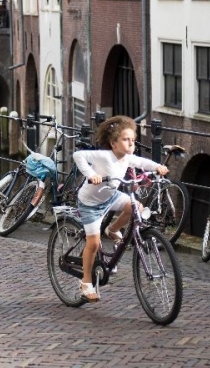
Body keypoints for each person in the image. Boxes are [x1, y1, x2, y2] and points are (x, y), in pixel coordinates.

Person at [72, 115, 168, 302]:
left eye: (133, 140)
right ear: (113, 143)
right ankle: (85, 282)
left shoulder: (127, 158)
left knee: (137, 208)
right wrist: (91, 174)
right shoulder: (105, 155)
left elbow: (142, 162)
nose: (131, 144)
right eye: (126, 140)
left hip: (110, 196)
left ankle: (113, 229)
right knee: (92, 243)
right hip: (91, 203)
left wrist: (158, 167)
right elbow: (78, 155)